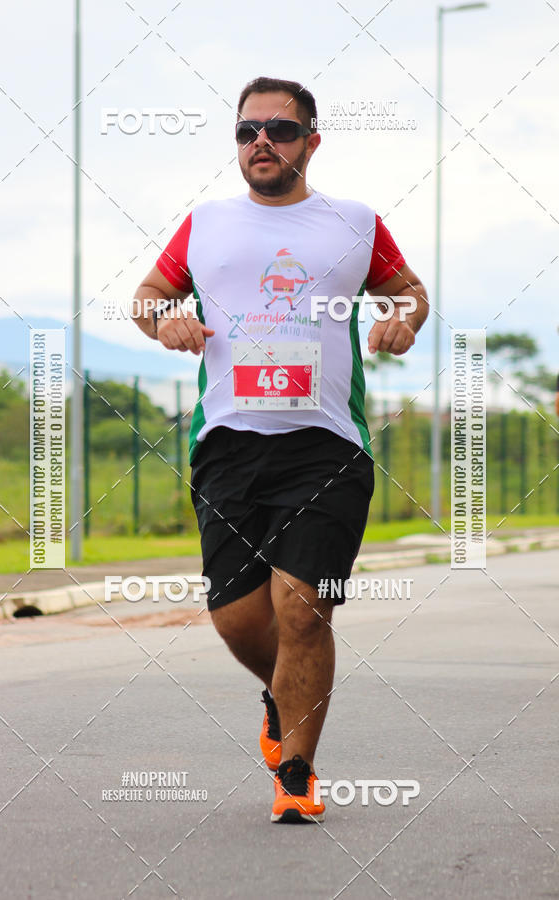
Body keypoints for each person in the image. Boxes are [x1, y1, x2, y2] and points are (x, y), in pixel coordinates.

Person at [132, 76, 428, 823]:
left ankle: (296, 772)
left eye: (280, 130)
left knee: (304, 613)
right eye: (246, 132)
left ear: (311, 142)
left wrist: (404, 321)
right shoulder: (205, 223)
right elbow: (145, 299)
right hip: (228, 444)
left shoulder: (354, 222)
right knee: (238, 619)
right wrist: (163, 322)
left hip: (326, 445)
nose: (261, 142)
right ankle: (283, 695)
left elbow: (409, 291)